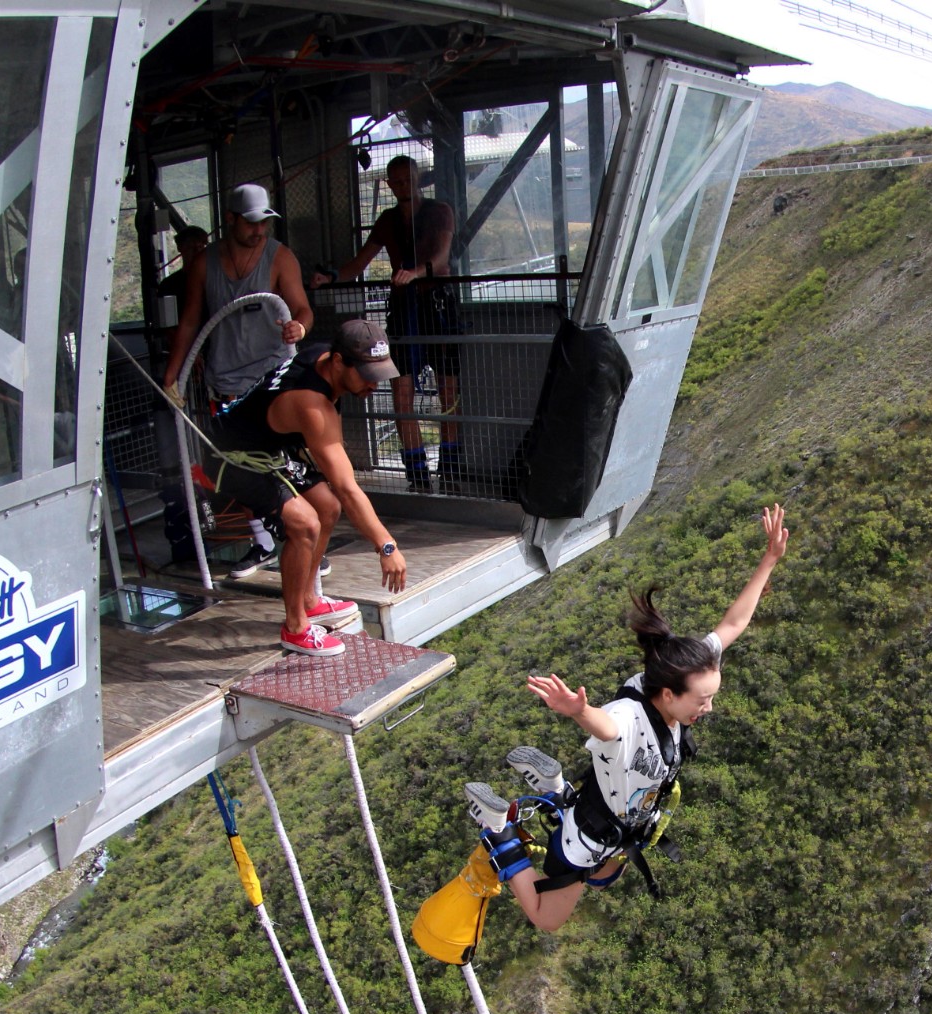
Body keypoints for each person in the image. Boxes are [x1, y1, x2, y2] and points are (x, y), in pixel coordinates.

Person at [464, 504, 790, 930]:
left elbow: (733, 622)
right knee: (547, 919)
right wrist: (580, 711)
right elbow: (608, 725)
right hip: (589, 836)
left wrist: (769, 560)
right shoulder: (629, 719)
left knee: (608, 875)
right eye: (702, 700)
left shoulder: (677, 673)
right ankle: (499, 831)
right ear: (669, 695)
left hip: (624, 825)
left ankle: (556, 788)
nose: (708, 707)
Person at [198, 318, 412, 656]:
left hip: (265, 446)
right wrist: (386, 546)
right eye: (369, 377)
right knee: (304, 523)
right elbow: (346, 485)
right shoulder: (311, 405)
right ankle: (295, 627)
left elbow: (337, 488)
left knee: (326, 507)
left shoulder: (322, 356)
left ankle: (309, 600)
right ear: (339, 361)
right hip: (230, 458)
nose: (374, 386)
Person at [334, 155, 461, 491]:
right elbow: (360, 261)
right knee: (401, 392)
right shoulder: (388, 220)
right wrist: (330, 277)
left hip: (438, 306)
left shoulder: (439, 211)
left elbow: (442, 257)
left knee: (449, 390)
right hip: (405, 309)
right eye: (397, 182)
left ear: (418, 179)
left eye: (409, 180)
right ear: (390, 184)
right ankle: (417, 475)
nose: (404, 187)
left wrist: (414, 274)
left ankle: (450, 469)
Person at [162, 186, 312, 404]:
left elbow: (303, 310)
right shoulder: (203, 263)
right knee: (226, 438)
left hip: (273, 378)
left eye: (264, 222)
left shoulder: (281, 258)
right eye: (251, 223)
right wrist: (171, 375)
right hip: (225, 383)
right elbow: (189, 322)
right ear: (231, 218)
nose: (259, 230)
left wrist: (300, 328)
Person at [154, 225, 209, 321]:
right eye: (190, 247)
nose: (197, 252)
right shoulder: (168, 286)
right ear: (180, 248)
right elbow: (168, 326)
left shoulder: (217, 280)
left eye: (200, 247)